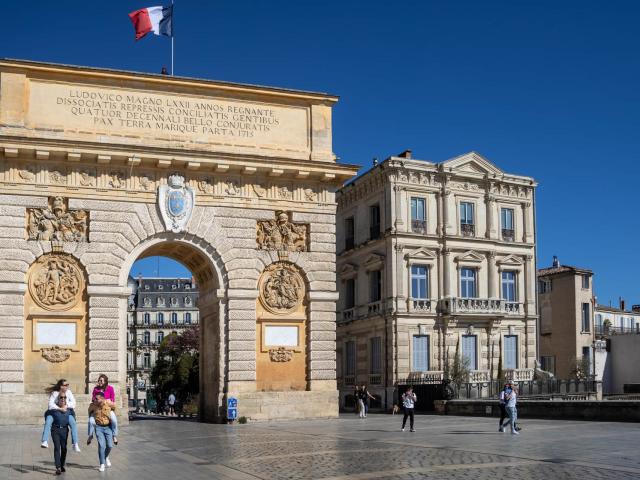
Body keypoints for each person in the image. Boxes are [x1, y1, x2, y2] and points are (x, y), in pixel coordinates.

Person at [41, 379, 81, 453]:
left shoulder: (69, 392)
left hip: (66, 411)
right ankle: (45, 441)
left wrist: (66, 406)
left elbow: (74, 403)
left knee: (73, 423)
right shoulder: (54, 393)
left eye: (67, 385)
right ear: (61, 386)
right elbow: (50, 405)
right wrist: (59, 408)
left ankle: (75, 443)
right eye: (65, 385)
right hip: (55, 412)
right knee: (48, 421)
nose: (67, 386)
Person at [88, 391, 116, 471]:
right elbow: (89, 413)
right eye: (95, 399)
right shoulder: (93, 405)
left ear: (102, 399)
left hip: (108, 427)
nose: (95, 400)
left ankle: (106, 456)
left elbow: (114, 408)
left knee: (110, 445)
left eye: (96, 399)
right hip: (99, 427)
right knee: (101, 445)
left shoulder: (108, 404)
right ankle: (102, 464)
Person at [87, 374, 118, 445]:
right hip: (97, 408)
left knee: (114, 420)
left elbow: (112, 399)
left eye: (101, 380)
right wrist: (97, 400)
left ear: (105, 381)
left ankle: (114, 435)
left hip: (107, 409)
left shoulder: (110, 388)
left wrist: (105, 400)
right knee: (91, 421)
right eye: (99, 380)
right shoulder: (96, 389)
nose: (99, 382)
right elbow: (93, 399)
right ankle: (90, 435)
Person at [50, 394, 71, 475]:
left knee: (64, 448)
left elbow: (73, 417)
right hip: (55, 429)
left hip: (65, 430)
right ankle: (58, 467)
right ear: (57, 399)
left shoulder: (69, 409)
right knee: (57, 447)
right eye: (61, 397)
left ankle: (62, 465)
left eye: (64, 397)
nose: (63, 399)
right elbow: (46, 414)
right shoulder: (54, 409)